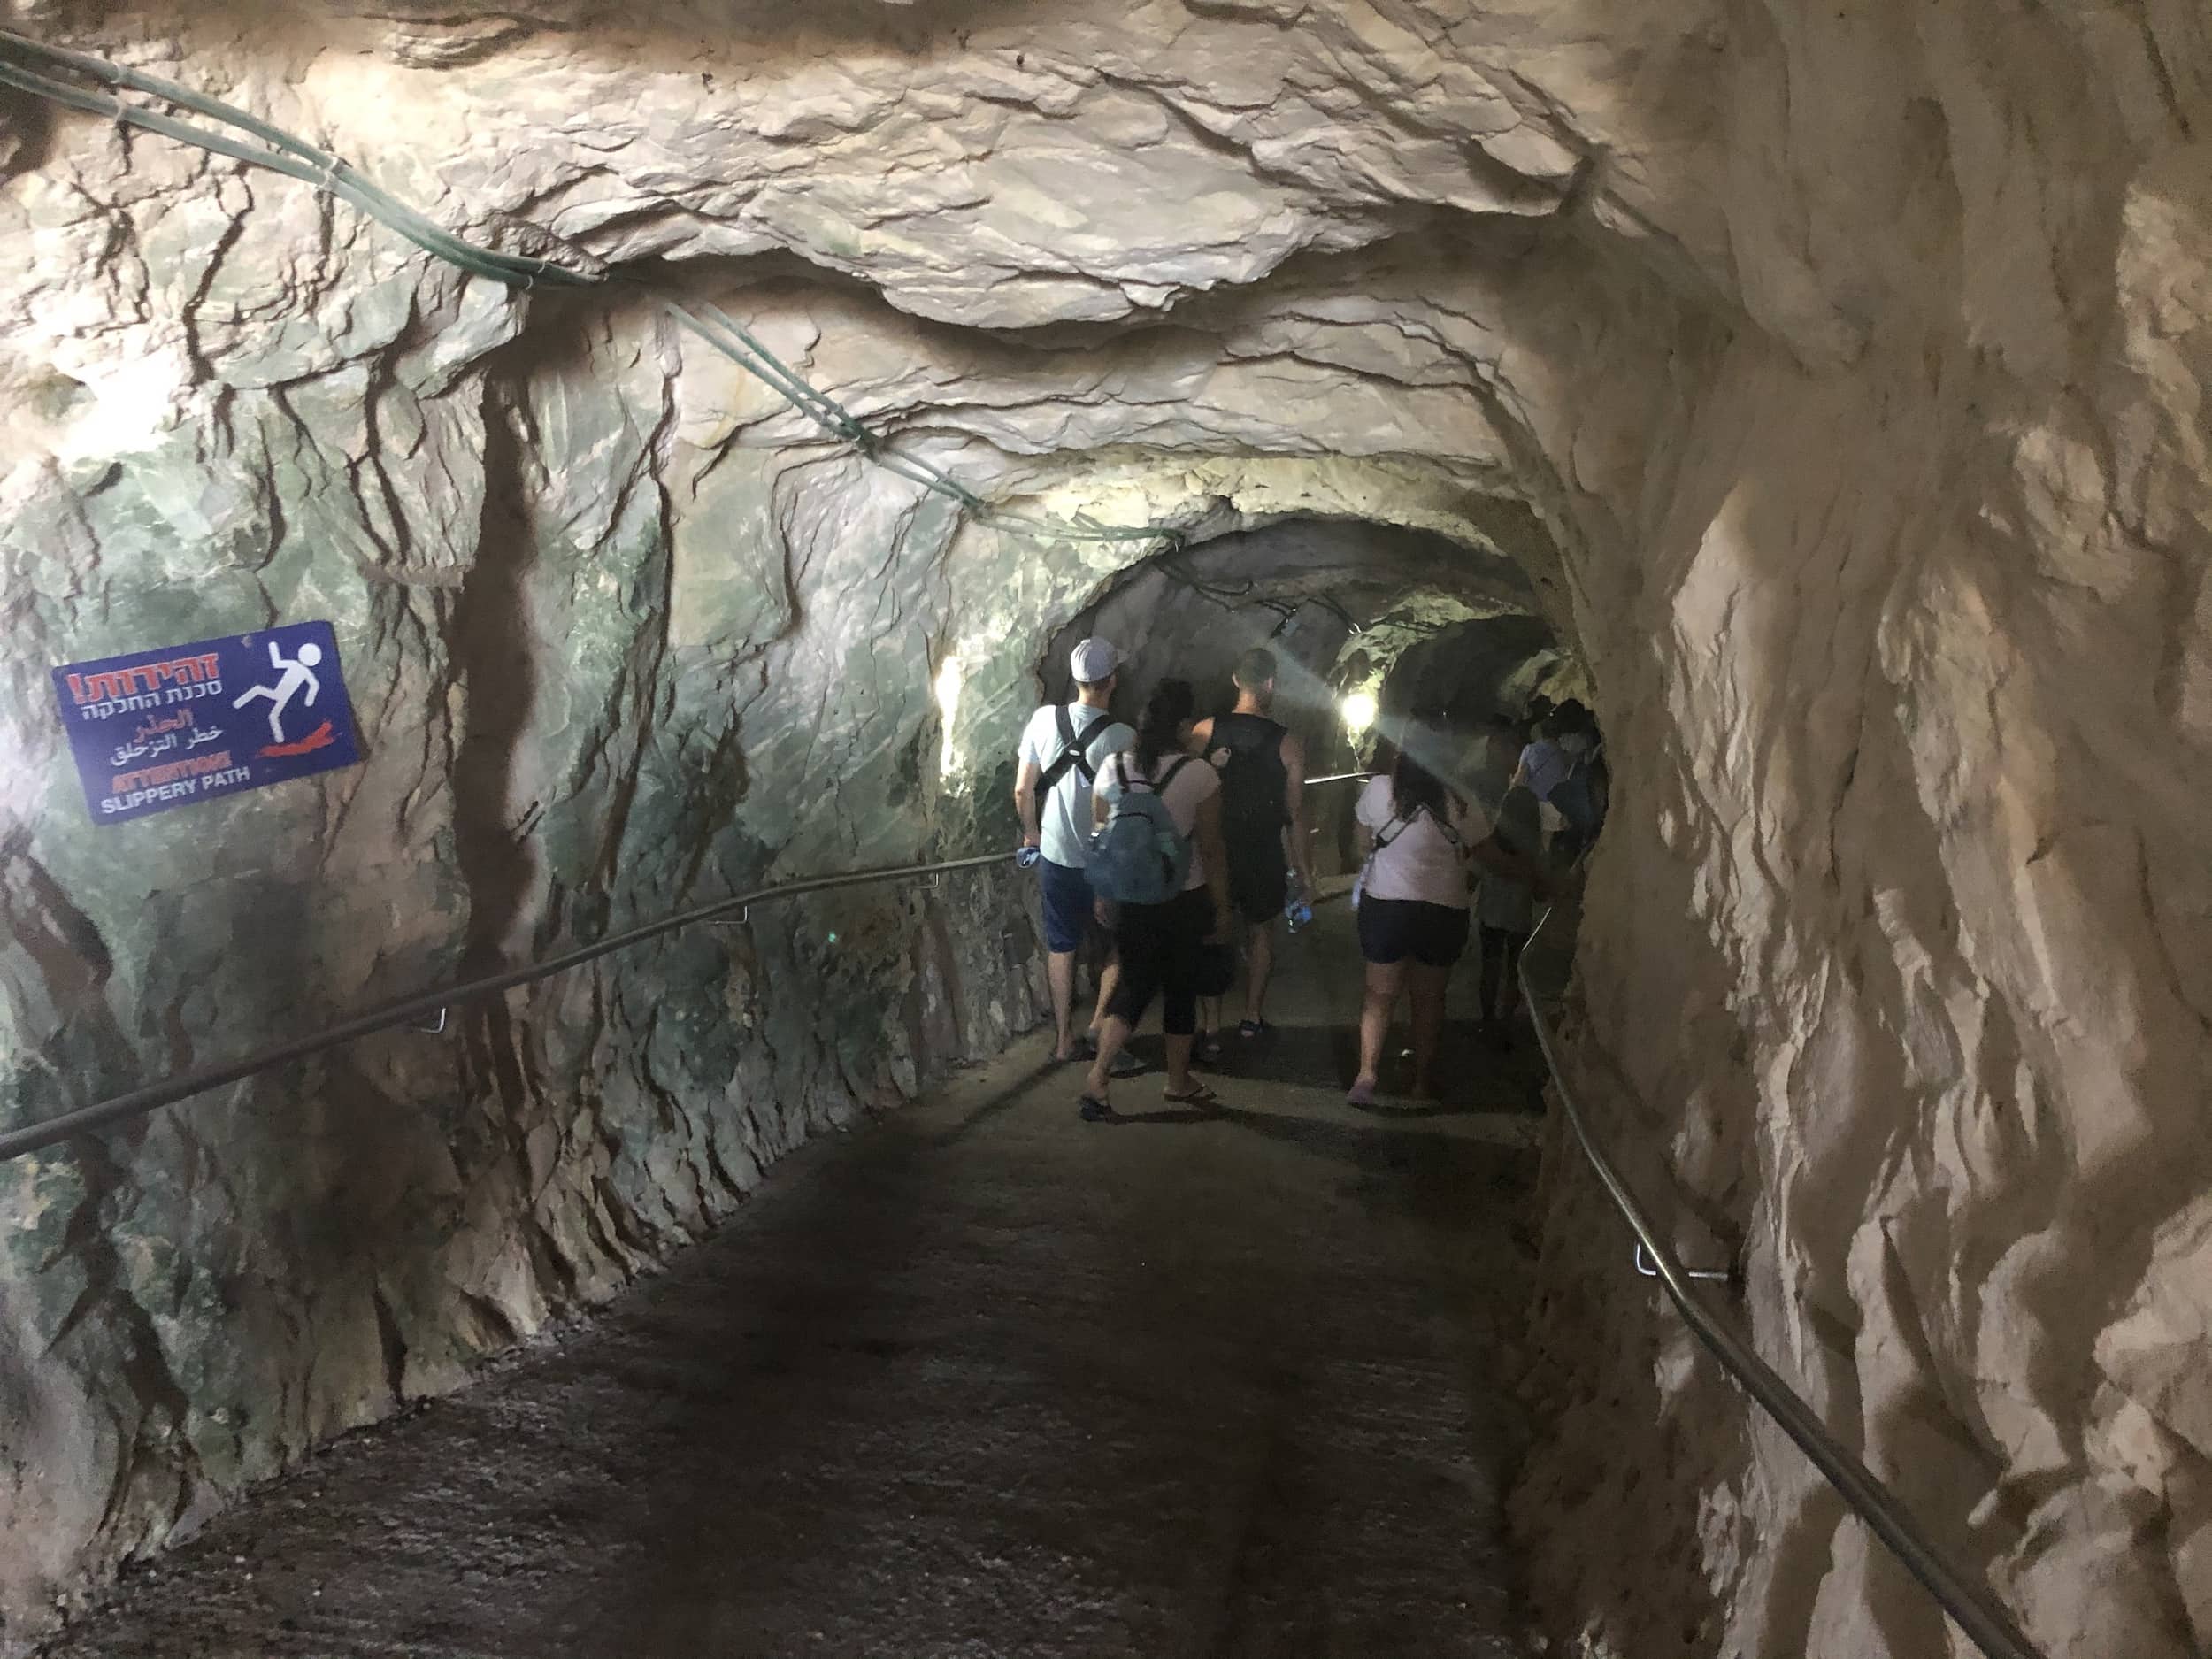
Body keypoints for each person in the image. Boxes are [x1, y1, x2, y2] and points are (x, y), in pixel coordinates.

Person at [1079, 680, 1234, 1120]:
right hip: (1183, 897)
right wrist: (1222, 908)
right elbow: (1211, 848)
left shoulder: (1113, 768)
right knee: (1180, 990)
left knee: (1132, 985)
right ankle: (1178, 1080)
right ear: (1184, 725)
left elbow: (1102, 839)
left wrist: (1104, 894)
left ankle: (1099, 1075)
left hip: (1130, 898)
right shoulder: (1200, 774)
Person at [1014, 637, 1137, 1066]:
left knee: (1061, 947)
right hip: (1103, 865)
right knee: (1117, 948)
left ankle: (1064, 1040)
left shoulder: (1044, 719)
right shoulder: (1123, 737)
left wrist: (1032, 834)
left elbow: (1022, 788)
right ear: (1112, 681)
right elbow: (1128, 807)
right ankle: (1099, 1025)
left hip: (1055, 858)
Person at [1192, 648, 1311, 1053]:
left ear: (1235, 680)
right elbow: (1295, 814)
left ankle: (1210, 1026)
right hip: (1261, 851)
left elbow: (1181, 787)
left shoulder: (1205, 731)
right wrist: (1303, 871)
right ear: (1271, 684)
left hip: (1214, 850)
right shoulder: (1287, 743)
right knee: (1261, 932)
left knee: (1211, 933)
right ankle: (1251, 1018)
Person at [1347, 750, 1481, 1105]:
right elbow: (1478, 850)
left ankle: (1366, 1075)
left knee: (1378, 996)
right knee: (1429, 1000)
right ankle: (1422, 1081)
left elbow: (1361, 844)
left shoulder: (1379, 789)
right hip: (1444, 908)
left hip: (1387, 905)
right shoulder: (1462, 798)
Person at [1475, 782, 1547, 1044]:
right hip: (1519, 916)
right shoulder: (1534, 851)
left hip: (1490, 913)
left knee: (1490, 968)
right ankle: (1505, 1024)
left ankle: (1487, 1021)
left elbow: (1473, 877)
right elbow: (1541, 892)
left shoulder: (1491, 843)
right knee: (1514, 972)